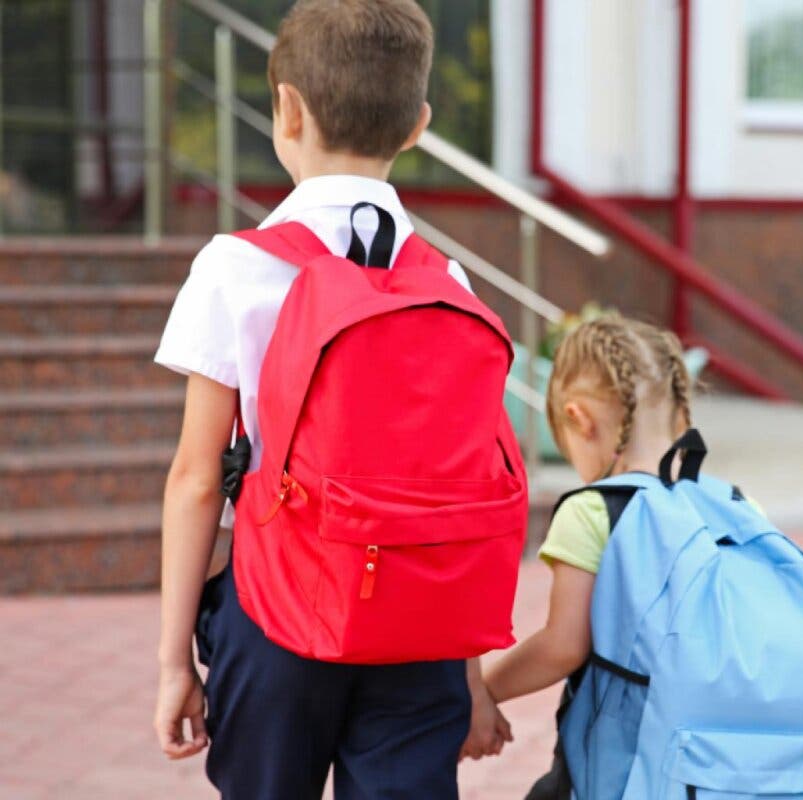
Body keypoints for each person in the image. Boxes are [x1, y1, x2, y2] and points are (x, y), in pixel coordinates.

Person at [151, 2, 509, 797]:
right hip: (418, 625)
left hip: (277, 614)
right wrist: (470, 669)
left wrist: (177, 662)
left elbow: (196, 479)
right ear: (418, 125)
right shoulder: (447, 282)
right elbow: (463, 486)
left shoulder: (234, 268)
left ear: (286, 107)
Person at [475, 316, 803, 799]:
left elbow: (563, 646)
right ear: (680, 413)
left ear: (578, 419)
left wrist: (483, 692)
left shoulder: (595, 509)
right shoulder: (736, 507)